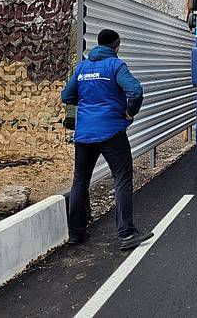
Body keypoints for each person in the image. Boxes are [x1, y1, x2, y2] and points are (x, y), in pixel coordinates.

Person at [61, 28, 153, 251]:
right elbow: (135, 91)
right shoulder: (115, 65)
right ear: (116, 46)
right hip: (111, 132)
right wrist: (131, 111)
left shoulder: (82, 67)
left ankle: (76, 232)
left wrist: (84, 105)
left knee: (80, 181)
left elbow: (66, 96)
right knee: (121, 177)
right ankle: (126, 233)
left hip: (84, 135)